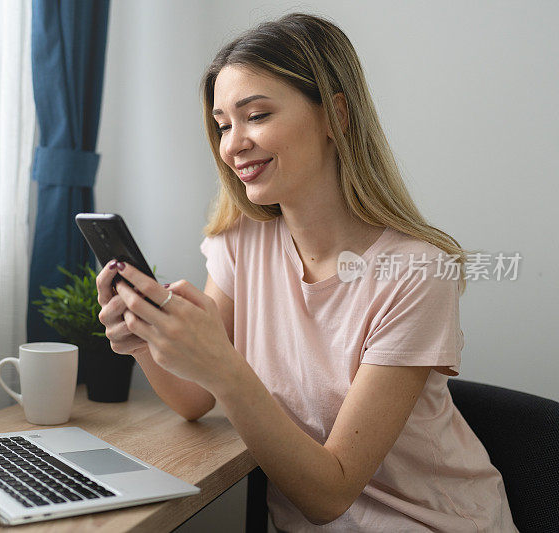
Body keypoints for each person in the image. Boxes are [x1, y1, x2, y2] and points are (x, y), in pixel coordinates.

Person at [96, 12, 516, 532]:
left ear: (334, 115)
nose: (232, 144)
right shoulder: (239, 244)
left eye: (257, 115)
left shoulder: (416, 272)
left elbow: (329, 492)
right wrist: (147, 338)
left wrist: (224, 365)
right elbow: (195, 397)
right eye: (223, 124)